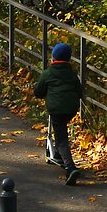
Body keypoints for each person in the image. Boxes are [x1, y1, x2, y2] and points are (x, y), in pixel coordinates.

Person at [34, 42, 83, 185]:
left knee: (61, 137)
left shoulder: (48, 73)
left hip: (56, 109)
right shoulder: (72, 74)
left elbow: (38, 92)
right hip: (71, 109)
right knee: (61, 128)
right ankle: (57, 154)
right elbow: (79, 92)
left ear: (53, 57)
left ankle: (70, 167)